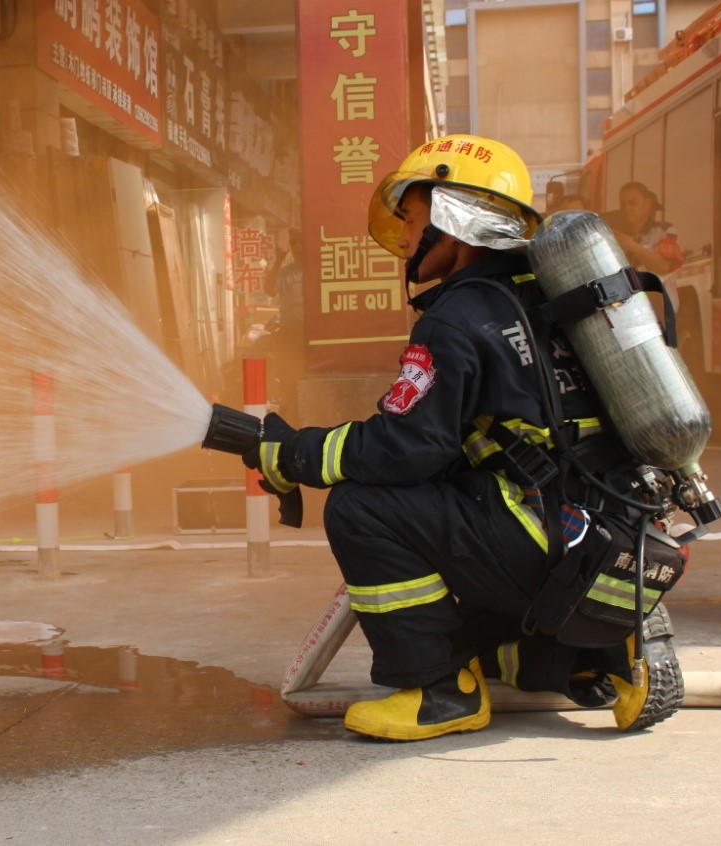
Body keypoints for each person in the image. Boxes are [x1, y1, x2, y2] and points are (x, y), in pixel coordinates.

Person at [241, 134, 682, 742]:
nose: (403, 235)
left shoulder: (457, 319)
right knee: (464, 496)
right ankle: (587, 657)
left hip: (547, 541)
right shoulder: (553, 300)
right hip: (616, 530)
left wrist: (295, 455)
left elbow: (402, 449)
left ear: (456, 218)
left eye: (415, 217)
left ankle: (439, 691)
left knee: (363, 507)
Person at [255, 227, 305, 418]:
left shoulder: (320, 269)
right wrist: (278, 260)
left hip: (311, 334)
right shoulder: (284, 272)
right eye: (294, 243)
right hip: (289, 332)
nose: (298, 246)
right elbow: (269, 289)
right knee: (288, 378)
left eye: (301, 241)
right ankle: (291, 416)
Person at [603, 181, 683, 277]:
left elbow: (665, 267)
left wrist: (632, 246)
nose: (627, 208)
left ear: (647, 204)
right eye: (623, 205)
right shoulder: (619, 238)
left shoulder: (665, 230)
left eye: (633, 203)